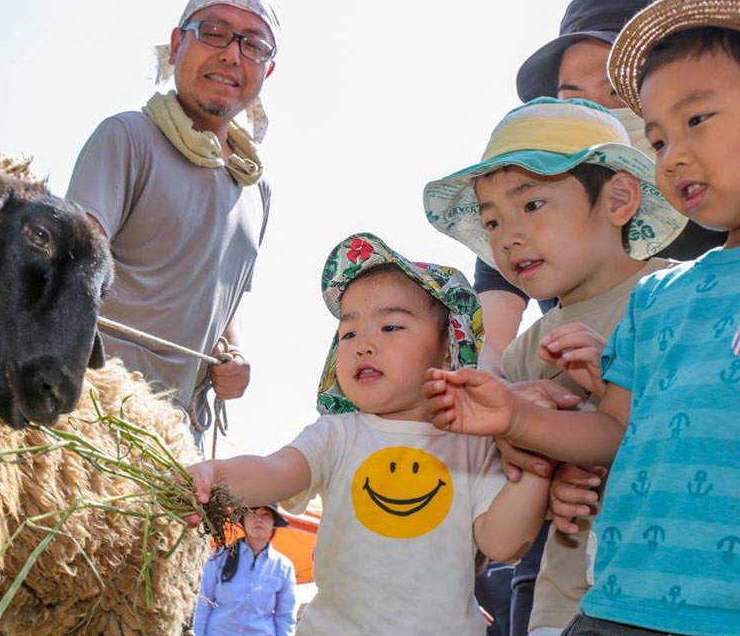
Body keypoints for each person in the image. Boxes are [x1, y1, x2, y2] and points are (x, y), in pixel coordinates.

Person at [424, 0, 740, 632]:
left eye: (697, 119)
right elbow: (615, 433)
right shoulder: (659, 300)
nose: (673, 154)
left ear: (618, 199)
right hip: (613, 606)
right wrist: (518, 417)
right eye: (657, 139)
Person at [186, 233, 549, 635]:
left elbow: (503, 543)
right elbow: (274, 471)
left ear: (449, 347)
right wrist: (215, 476)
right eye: (348, 333)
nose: (363, 345)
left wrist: (537, 466)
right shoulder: (337, 436)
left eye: (391, 326)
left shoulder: (473, 444)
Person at [424, 96, 686, 636]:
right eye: (491, 221)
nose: (507, 236)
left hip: (670, 597)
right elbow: (508, 501)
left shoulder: (682, 299)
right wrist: (546, 479)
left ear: (618, 199)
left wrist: (616, 386)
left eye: (532, 205)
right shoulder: (524, 353)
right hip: (560, 609)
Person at [65, 0, 279, 447]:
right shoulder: (128, 138)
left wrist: (233, 353)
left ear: (268, 70)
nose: (231, 54)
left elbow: (226, 297)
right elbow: (72, 267)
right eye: (215, 32)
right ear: (178, 43)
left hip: (179, 435)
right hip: (94, 415)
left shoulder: (256, 190)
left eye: (253, 45)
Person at [476, 0, 726, 374]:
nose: (598, 112)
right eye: (573, 99)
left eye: (615, 92)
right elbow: (492, 352)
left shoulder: (717, 197)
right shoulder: (517, 216)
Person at [194, 504, 297, 636]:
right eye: (251, 513)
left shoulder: (283, 567)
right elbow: (203, 602)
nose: (258, 519)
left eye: (265, 514)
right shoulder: (219, 556)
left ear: (274, 523)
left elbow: (285, 617)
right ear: (243, 520)